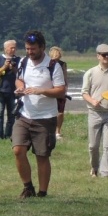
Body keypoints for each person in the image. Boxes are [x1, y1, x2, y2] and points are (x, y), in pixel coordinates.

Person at [12, 30, 66, 198]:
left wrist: (41, 90)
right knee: (18, 150)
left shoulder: (53, 66)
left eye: (33, 49)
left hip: (45, 118)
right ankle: (28, 187)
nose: (30, 52)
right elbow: (19, 78)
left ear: (42, 47)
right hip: (24, 114)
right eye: (27, 48)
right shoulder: (23, 62)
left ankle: (42, 193)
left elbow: (61, 91)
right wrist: (20, 87)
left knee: (42, 155)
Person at [81, 44, 108, 177]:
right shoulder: (90, 73)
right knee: (93, 146)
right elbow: (84, 92)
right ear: (98, 56)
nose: (106, 57)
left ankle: (105, 172)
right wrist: (92, 101)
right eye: (104, 55)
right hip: (94, 112)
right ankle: (94, 167)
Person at [0, 39, 21, 139]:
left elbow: (21, 74)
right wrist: (4, 67)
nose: (13, 50)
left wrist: (13, 68)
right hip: (1, 90)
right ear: (5, 49)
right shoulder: (0, 58)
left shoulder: (18, 60)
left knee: (12, 114)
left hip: (12, 91)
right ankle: (0, 135)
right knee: (0, 113)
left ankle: (8, 134)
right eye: (11, 47)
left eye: (15, 48)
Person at [48, 46, 68, 140]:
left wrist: (65, 89)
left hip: (60, 89)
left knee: (60, 111)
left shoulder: (63, 64)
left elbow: (65, 77)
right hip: (50, 89)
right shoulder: (47, 64)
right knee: (50, 110)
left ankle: (57, 131)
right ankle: (51, 130)